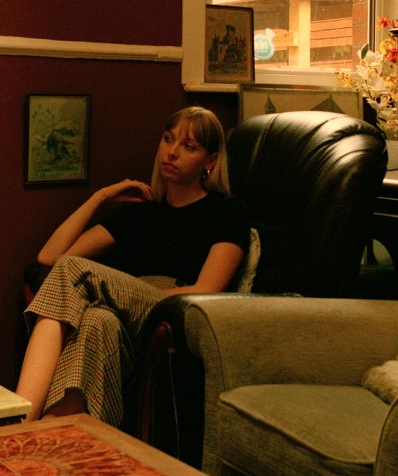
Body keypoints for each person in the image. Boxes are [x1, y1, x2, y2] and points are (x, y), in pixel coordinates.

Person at [17, 106, 250, 426]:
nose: (172, 152)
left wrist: (125, 293)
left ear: (209, 161)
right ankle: (50, 432)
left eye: (188, 146)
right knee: (97, 321)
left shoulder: (228, 211)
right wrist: (100, 197)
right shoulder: (139, 214)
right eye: (168, 139)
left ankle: (18, 419)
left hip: (176, 310)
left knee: (73, 270)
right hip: (126, 319)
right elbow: (49, 257)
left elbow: (207, 290)